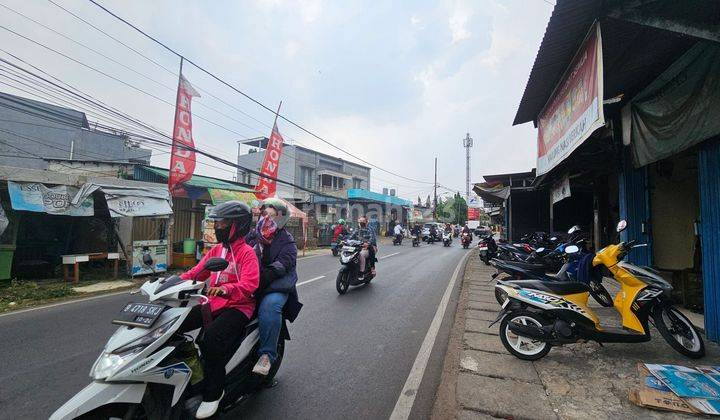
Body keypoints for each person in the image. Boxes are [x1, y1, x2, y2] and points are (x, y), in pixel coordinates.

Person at [179, 201, 259, 419]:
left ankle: (214, 392)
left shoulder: (247, 253)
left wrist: (226, 289)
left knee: (210, 340)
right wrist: (169, 283)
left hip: (239, 307)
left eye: (222, 222)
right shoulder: (216, 250)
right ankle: (190, 377)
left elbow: (250, 285)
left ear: (237, 225)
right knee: (175, 325)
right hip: (212, 304)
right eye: (216, 222)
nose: (217, 226)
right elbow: (195, 273)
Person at [245, 198, 302, 378]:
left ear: (280, 218)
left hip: (275, 286)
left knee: (270, 306)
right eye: (264, 214)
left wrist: (264, 276)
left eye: (271, 215)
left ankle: (267, 355)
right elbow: (239, 253)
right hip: (250, 283)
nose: (266, 218)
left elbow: (284, 263)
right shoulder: (252, 236)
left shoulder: (287, 241)